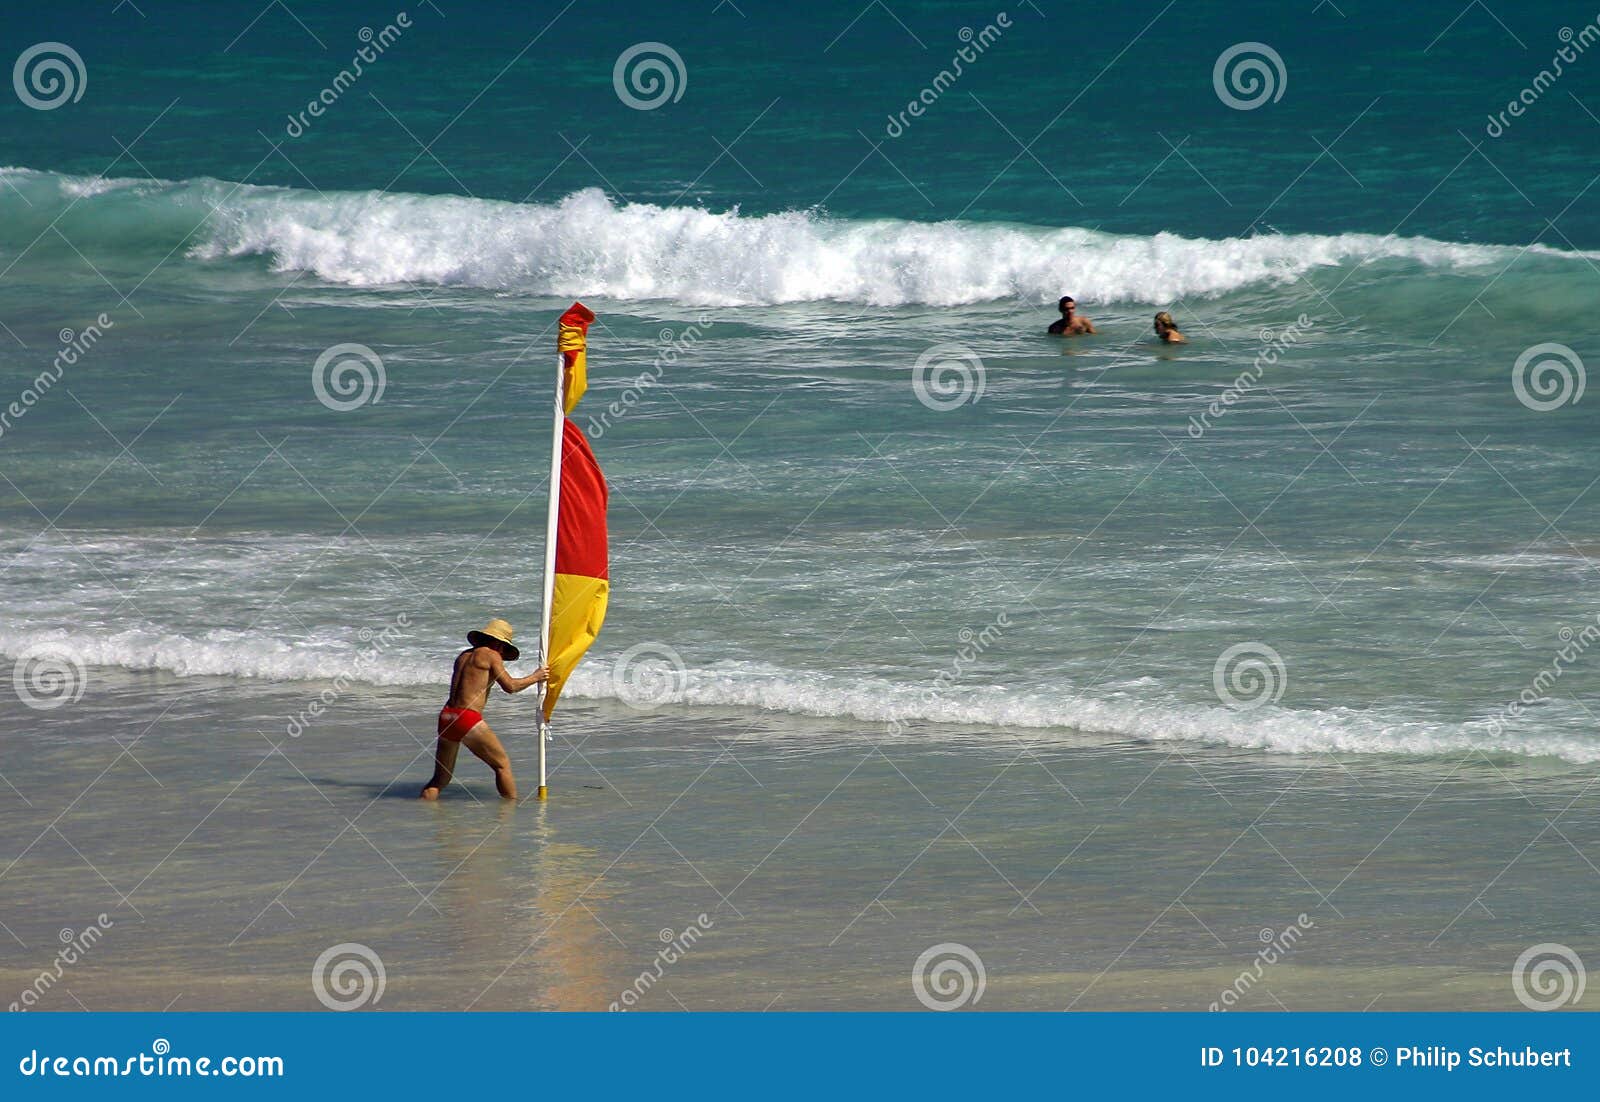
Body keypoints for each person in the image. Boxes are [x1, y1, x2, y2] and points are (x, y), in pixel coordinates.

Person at [420, 618, 549, 800]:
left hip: (447, 715)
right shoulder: (491, 656)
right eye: (504, 647)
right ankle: (510, 812)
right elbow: (510, 686)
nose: (503, 653)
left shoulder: (463, 656)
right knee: (502, 764)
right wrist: (536, 677)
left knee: (440, 779)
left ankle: (423, 810)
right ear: (499, 643)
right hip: (467, 718)